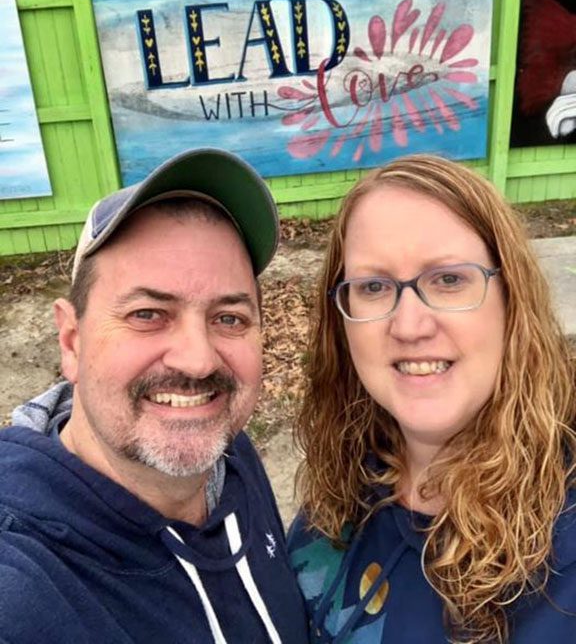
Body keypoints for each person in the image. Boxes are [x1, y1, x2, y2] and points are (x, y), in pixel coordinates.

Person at [0, 148, 308, 644]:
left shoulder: (230, 456)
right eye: (147, 314)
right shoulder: (23, 594)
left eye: (228, 318)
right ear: (72, 341)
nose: (198, 360)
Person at [288, 154, 576, 643]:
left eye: (448, 280)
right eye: (374, 286)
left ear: (512, 298)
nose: (410, 326)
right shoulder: (345, 483)